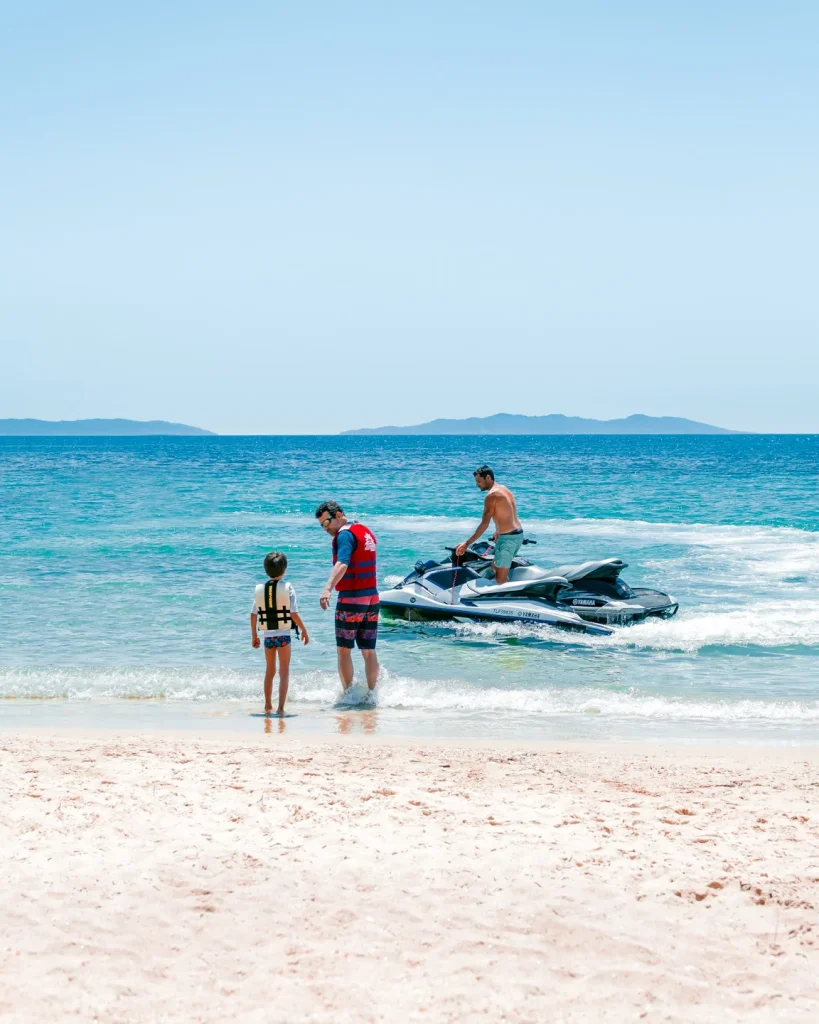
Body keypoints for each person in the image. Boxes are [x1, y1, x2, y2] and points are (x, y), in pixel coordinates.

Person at [315, 500, 380, 692]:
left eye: (326, 523)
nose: (324, 529)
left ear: (338, 515)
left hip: (352, 599)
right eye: (321, 526)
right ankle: (372, 695)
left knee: (343, 650)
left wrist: (328, 588)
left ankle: (348, 696)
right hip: (372, 598)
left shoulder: (344, 535)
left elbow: (342, 563)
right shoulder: (363, 529)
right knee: (368, 651)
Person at [250, 551, 309, 715]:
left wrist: (254, 635)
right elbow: (293, 614)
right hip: (283, 636)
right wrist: (304, 630)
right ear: (284, 570)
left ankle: (267, 705)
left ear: (266, 570)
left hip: (268, 637)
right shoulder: (288, 589)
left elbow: (253, 614)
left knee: (270, 671)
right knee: (284, 671)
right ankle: (281, 708)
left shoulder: (260, 590)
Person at [455, 465, 523, 585]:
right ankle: (507, 587)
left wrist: (467, 544)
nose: (477, 485)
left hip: (508, 539)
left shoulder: (491, 496)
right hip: (516, 534)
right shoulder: (503, 489)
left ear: (488, 478)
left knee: (500, 579)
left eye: (479, 481)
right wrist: (498, 531)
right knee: (494, 566)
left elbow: (484, 524)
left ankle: (505, 600)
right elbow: (507, 514)